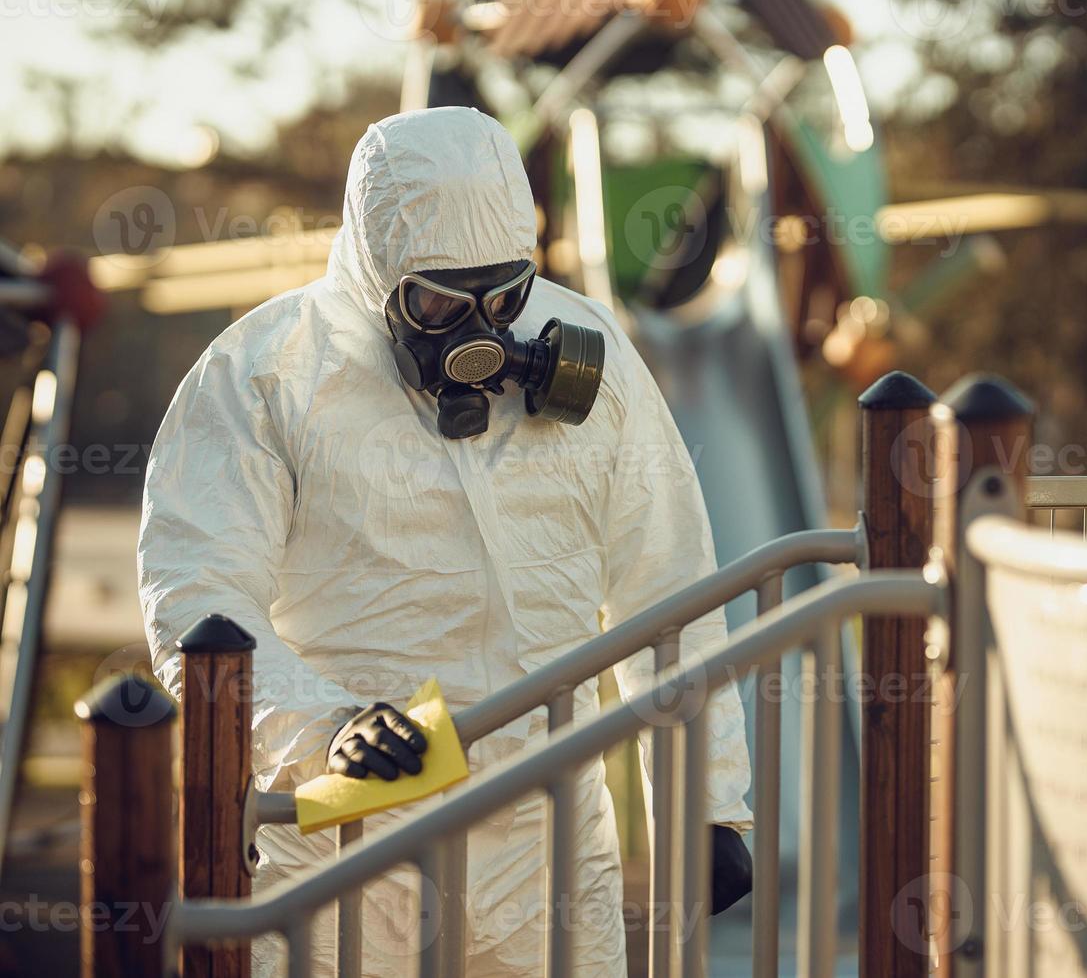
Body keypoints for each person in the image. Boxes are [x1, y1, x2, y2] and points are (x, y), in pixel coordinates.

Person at [139, 106, 753, 974]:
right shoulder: (264, 375)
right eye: (437, 303)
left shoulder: (594, 360)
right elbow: (197, 596)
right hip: (345, 849)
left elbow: (671, 586)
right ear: (373, 264)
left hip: (549, 850)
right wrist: (321, 728)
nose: (479, 332)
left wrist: (706, 801)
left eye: (502, 298)